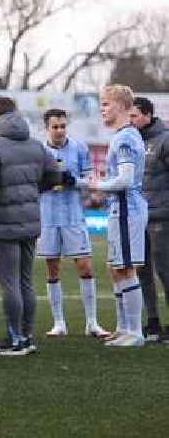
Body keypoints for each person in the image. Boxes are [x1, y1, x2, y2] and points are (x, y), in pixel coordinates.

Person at [0, 96, 59, 356]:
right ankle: (27, 335)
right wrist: (32, 191)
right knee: (26, 282)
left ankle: (15, 339)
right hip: (30, 220)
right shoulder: (35, 145)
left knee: (10, 284)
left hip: (3, 223)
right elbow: (54, 175)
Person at [37, 109, 108, 338]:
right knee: (52, 267)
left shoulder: (79, 148)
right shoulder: (38, 151)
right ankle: (59, 322)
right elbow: (31, 182)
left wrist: (73, 180)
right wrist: (44, 184)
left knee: (85, 266)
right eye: (55, 126)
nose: (59, 130)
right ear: (46, 128)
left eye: (63, 126)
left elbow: (90, 182)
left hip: (73, 216)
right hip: (47, 217)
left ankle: (92, 322)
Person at [88, 85, 147, 347]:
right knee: (116, 267)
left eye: (106, 104)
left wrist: (97, 185)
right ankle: (124, 327)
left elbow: (125, 179)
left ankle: (135, 332)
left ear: (122, 106)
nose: (102, 109)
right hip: (120, 208)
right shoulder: (123, 136)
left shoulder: (125, 138)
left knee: (125, 268)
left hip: (127, 209)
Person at [130, 96, 169, 341]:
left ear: (147, 114)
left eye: (134, 116)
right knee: (142, 272)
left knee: (166, 272)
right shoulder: (131, 141)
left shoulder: (165, 140)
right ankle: (152, 323)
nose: (131, 121)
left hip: (161, 216)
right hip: (138, 216)